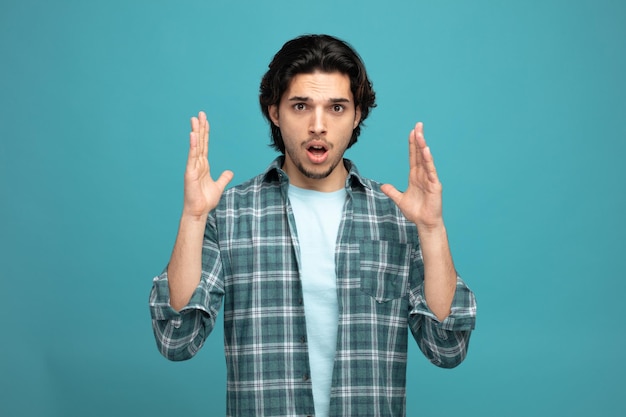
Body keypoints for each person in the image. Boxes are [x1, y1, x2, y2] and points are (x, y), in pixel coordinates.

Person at [149, 34, 476, 417]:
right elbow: (176, 339)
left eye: (336, 108)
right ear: (274, 111)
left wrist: (433, 229)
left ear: (356, 116)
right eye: (301, 106)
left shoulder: (397, 217)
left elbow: (447, 346)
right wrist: (193, 217)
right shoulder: (229, 213)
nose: (318, 125)